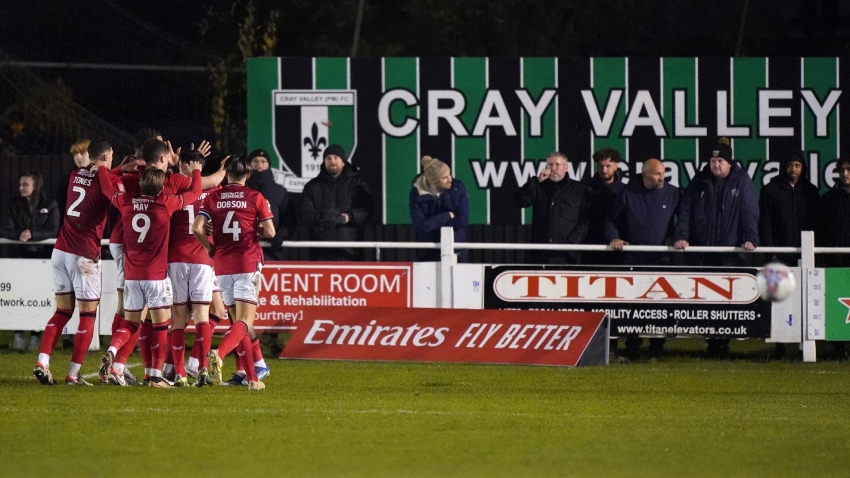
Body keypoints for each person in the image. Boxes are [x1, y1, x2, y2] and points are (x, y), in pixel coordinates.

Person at [110, 136, 221, 385]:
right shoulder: (168, 197)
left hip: (131, 256)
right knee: (171, 319)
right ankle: (164, 372)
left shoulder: (132, 184)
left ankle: (126, 361)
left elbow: (109, 186)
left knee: (134, 316)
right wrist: (201, 169)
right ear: (163, 158)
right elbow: (199, 187)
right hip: (165, 264)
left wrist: (112, 168)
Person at [98, 159, 203, 388]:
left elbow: (106, 188)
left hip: (132, 276)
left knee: (131, 323)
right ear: (159, 187)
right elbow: (196, 190)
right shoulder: (166, 203)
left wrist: (103, 167)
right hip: (155, 276)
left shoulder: (126, 201)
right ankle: (155, 376)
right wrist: (196, 169)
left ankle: (112, 351)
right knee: (160, 325)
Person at [32, 139, 115, 386]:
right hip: (84, 255)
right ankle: (73, 374)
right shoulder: (105, 181)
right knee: (87, 316)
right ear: (107, 156)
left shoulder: (74, 174)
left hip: (61, 250)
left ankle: (43, 361)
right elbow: (112, 192)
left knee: (62, 311)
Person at [194, 155, 276, 391]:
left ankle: (252, 378)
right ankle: (218, 354)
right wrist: (254, 228)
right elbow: (270, 231)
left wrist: (209, 247)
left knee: (236, 323)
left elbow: (197, 228)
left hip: (222, 264)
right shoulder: (255, 197)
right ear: (248, 175)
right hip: (246, 262)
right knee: (244, 322)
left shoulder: (213, 197)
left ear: (227, 173)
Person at [673, 138, 759, 359]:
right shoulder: (699, 181)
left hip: (729, 255)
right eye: (713, 160)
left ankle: (723, 344)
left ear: (729, 162)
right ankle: (712, 342)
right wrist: (681, 236)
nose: (716, 165)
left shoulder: (742, 181)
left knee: (727, 301)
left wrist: (750, 237)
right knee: (706, 299)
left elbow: (749, 211)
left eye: (720, 160)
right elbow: (685, 211)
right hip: (702, 254)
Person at [166, 150, 231, 387]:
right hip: (202, 258)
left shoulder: (174, 184)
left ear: (183, 165)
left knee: (178, 318)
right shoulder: (214, 193)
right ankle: (202, 369)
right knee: (203, 316)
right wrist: (223, 170)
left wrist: (174, 168)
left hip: (176, 258)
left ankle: (180, 372)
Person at [606, 159, 680, 360]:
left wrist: (680, 236)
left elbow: (683, 219)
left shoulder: (672, 193)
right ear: (645, 174)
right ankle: (632, 347)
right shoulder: (627, 193)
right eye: (657, 174)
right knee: (633, 304)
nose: (662, 177)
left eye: (663, 173)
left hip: (662, 258)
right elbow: (611, 220)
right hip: (634, 257)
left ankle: (657, 347)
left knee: (660, 304)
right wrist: (614, 237)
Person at [758, 151, 819, 360]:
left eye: (797, 166)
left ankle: (805, 345)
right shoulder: (770, 191)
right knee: (779, 302)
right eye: (790, 165)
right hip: (779, 256)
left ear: (803, 168)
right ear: (783, 167)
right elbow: (765, 224)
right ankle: (779, 346)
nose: (793, 170)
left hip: (806, 256)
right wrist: (770, 253)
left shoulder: (810, 192)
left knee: (806, 300)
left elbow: (816, 224)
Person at [1, 170, 59, 352]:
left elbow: (53, 230)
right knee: (18, 294)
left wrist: (33, 235)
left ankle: (35, 336)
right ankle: (17, 334)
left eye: (25, 184)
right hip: (18, 256)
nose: (21, 188)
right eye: (20, 184)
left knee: (38, 295)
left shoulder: (49, 204)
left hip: (41, 258)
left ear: (35, 186)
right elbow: (5, 228)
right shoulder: (13, 203)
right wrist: (19, 234)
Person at [298, 144, 374, 261]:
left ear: (343, 162)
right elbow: (304, 214)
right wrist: (323, 216)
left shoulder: (358, 184)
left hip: (350, 251)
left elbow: (367, 211)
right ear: (324, 162)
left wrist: (348, 217)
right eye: (328, 158)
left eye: (335, 158)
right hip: (319, 252)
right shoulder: (312, 186)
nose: (332, 161)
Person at [513, 152, 589, 264]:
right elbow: (519, 201)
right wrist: (536, 182)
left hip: (567, 255)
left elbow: (586, 219)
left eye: (557, 165)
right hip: (540, 254)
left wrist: (572, 242)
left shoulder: (579, 190)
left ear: (566, 167)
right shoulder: (539, 187)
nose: (553, 168)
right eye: (550, 165)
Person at [817, 157, 850, 360]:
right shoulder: (828, 199)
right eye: (842, 170)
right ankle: (839, 347)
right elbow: (821, 230)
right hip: (836, 261)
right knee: (838, 304)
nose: (845, 173)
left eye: (849, 169)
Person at [409, 155, 470, 262]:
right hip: (428, 252)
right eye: (444, 177)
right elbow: (421, 226)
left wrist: (432, 224)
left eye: (449, 174)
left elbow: (463, 221)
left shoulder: (458, 187)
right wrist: (447, 215)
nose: (450, 179)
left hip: (456, 250)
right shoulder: (416, 194)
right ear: (433, 181)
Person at [584, 147, 625, 265]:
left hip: (616, 247)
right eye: (601, 166)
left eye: (608, 166)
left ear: (616, 165)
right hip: (589, 245)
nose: (604, 170)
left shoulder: (624, 191)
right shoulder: (585, 188)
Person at [246, 148, 288, 259]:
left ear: (269, 165)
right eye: (255, 161)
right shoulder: (242, 189)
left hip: (271, 250)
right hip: (244, 247)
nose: (259, 164)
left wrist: (279, 235)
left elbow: (288, 219)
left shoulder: (279, 191)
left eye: (263, 161)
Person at [56, 139, 91, 218]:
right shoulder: (67, 180)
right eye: (75, 154)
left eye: (82, 153)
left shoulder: (102, 177)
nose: (78, 157)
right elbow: (61, 205)